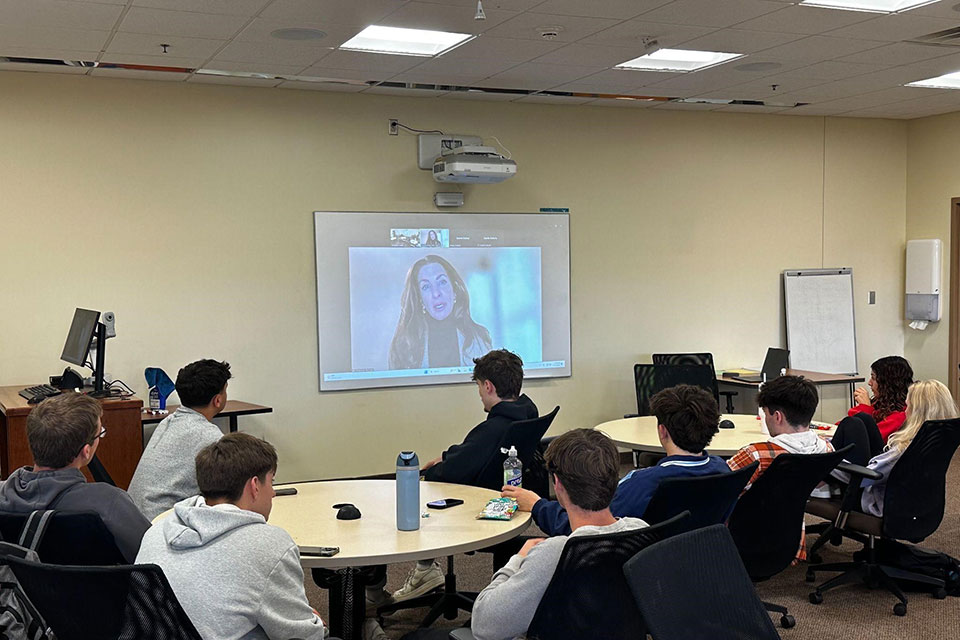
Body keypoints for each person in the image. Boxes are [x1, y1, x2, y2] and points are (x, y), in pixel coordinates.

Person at [380, 349, 538, 606]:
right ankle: (426, 570)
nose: (479, 394)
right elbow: (474, 453)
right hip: (504, 497)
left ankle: (424, 571)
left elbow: (453, 471)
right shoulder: (525, 414)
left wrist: (432, 471)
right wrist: (448, 456)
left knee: (417, 489)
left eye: (478, 386)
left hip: (478, 506)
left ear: (488, 386)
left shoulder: (494, 427)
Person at [135, 433, 325, 640]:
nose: (273, 493)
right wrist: (312, 621)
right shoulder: (270, 544)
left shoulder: (155, 531)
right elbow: (301, 635)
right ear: (254, 486)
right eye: (271, 482)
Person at [470, 428, 648, 640]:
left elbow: (485, 626)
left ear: (558, 485)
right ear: (615, 480)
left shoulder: (555, 553)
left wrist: (517, 561)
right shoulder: (641, 530)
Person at [503, 384, 729, 536]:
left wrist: (537, 505)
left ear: (662, 431)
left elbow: (587, 528)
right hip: (697, 563)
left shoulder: (642, 483)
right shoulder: (726, 471)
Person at [0, 393, 150, 562]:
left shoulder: (3, 494)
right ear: (86, 451)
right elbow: (152, 555)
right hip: (98, 588)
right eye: (100, 433)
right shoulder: (108, 502)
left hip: (21, 587)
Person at [727, 374, 833, 561]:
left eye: (766, 414)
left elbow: (720, 491)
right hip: (791, 538)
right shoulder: (826, 448)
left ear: (777, 416)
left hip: (745, 535)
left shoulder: (756, 454)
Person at [836, 380, 958, 516]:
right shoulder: (938, 439)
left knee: (851, 424)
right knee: (864, 419)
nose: (905, 410)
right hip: (918, 504)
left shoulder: (905, 448)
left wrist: (827, 459)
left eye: (908, 406)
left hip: (881, 505)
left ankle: (820, 487)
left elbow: (865, 478)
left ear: (917, 410)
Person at [128, 359, 231, 520]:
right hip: (159, 525)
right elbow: (226, 496)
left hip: (134, 519)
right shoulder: (211, 437)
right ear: (217, 400)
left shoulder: (168, 421)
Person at [388, 254, 492, 370]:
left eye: (442, 282)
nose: (436, 293)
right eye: (426, 287)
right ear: (420, 299)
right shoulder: (404, 345)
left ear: (454, 290)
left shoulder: (480, 338)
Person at [845, 355, 913, 443]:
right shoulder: (881, 404)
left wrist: (865, 408)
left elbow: (867, 439)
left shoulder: (901, 415)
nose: (869, 383)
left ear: (888, 383)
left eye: (873, 378)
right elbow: (848, 424)